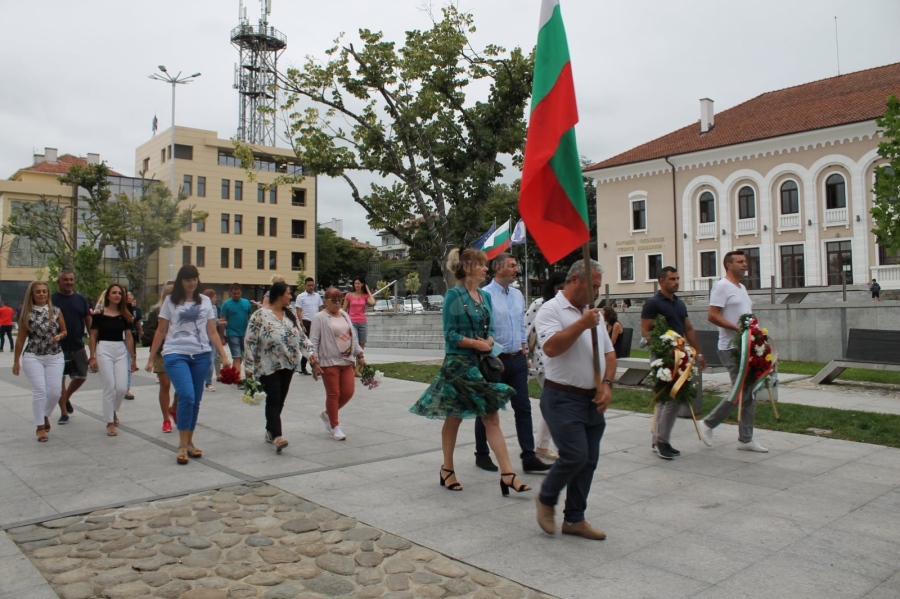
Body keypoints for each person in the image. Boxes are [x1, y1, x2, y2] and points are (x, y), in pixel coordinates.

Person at [409, 248, 530, 496]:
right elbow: (450, 335)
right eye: (482, 264)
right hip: (458, 365)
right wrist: (477, 343)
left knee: (488, 417)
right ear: (468, 267)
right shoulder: (454, 296)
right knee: (457, 417)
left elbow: (492, 327)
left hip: (479, 365)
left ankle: (506, 474)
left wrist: (489, 340)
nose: (486, 268)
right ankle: (450, 469)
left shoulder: (484, 298)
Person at [533, 259, 615, 540]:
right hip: (562, 397)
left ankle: (575, 519)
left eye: (598, 288)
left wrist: (606, 384)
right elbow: (552, 348)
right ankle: (546, 497)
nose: (595, 293)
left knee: (589, 460)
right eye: (592, 287)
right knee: (575, 455)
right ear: (574, 281)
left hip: (591, 399)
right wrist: (581, 323)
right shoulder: (551, 310)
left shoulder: (594, 314)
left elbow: (609, 353)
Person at [145, 265, 231, 465]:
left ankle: (190, 441)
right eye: (187, 279)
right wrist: (150, 358)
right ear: (181, 282)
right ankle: (182, 445)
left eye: (194, 279)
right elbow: (160, 330)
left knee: (196, 400)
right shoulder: (170, 301)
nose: (191, 283)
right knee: (186, 394)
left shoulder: (206, 301)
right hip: (175, 353)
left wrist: (224, 356)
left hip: (201, 355)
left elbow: (211, 331)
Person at [474, 253, 550, 474]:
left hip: (517, 359)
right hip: (494, 361)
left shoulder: (517, 295)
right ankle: (482, 453)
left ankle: (528, 456)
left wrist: (524, 349)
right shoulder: (484, 294)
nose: (517, 269)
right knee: (488, 409)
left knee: (523, 408)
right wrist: (493, 353)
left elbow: (520, 325)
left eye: (516, 265)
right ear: (498, 268)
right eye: (512, 265)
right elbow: (482, 329)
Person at [700, 251, 768, 452]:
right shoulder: (721, 286)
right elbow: (712, 316)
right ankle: (709, 423)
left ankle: (746, 438)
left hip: (746, 347)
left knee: (748, 393)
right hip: (730, 347)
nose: (744, 264)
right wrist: (737, 329)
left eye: (745, 261)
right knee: (741, 390)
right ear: (728, 265)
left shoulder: (742, 288)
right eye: (740, 262)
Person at [640, 267, 708, 460]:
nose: (676, 282)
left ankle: (658, 440)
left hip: (681, 355)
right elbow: (646, 332)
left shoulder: (679, 303)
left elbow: (688, 328)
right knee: (671, 398)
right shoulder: (652, 304)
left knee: (667, 399)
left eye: (678, 278)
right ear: (661, 281)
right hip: (665, 357)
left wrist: (698, 353)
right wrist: (664, 352)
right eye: (672, 279)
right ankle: (662, 441)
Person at [245, 281, 317, 452]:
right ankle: (277, 436)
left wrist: (311, 354)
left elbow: (301, 337)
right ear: (278, 295)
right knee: (274, 397)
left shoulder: (290, 314)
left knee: (280, 400)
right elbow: (250, 341)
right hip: (267, 364)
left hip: (288, 363)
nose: (290, 297)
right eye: (288, 293)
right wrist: (248, 366)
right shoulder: (260, 315)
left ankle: (270, 430)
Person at [12, 281, 67, 442]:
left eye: (44, 291)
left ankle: (44, 415)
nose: (42, 294)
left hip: (55, 356)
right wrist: (16, 362)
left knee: (55, 392)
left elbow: (64, 330)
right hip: (33, 356)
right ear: (32, 294)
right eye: (38, 292)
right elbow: (21, 339)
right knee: (40, 390)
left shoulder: (55, 311)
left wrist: (60, 335)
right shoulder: (27, 313)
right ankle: (40, 426)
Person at [309, 287, 366, 441]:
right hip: (328, 361)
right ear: (325, 301)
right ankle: (335, 426)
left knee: (348, 392)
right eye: (333, 300)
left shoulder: (345, 315)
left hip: (346, 360)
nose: (337, 303)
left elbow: (352, 337)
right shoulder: (319, 317)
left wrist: (359, 354)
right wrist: (313, 360)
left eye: (339, 300)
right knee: (333, 394)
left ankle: (327, 414)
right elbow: (313, 341)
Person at [525, 272, 568, 461]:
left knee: (554, 404)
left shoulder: (568, 307)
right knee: (554, 403)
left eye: (565, 287)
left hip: (559, 361)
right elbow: (524, 328)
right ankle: (544, 445)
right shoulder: (540, 305)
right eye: (559, 287)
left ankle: (543, 445)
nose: (562, 291)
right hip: (540, 361)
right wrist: (524, 353)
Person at [89, 284, 137, 437]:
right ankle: (109, 421)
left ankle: (113, 410)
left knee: (122, 387)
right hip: (104, 348)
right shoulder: (99, 314)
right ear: (108, 295)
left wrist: (133, 357)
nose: (117, 295)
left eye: (120, 293)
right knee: (109, 385)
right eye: (114, 293)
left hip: (120, 349)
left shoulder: (125, 315)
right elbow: (93, 336)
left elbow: (129, 337)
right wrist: (92, 356)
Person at [51, 270, 92, 424]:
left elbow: (88, 321)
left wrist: (93, 339)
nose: (68, 282)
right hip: (57, 346)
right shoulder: (52, 299)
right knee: (59, 380)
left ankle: (66, 397)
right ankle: (63, 413)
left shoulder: (80, 299)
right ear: (59, 282)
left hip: (77, 345)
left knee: (82, 375)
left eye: (71, 280)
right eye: (65, 280)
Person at [142, 281, 177, 432]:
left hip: (178, 352)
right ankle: (166, 420)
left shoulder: (181, 311)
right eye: (168, 295)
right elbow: (148, 334)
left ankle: (173, 408)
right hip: (161, 352)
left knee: (182, 389)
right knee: (165, 384)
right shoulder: (156, 312)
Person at [219, 283, 252, 375]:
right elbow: (222, 321)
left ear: (241, 292)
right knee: (236, 357)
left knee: (242, 357)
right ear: (230, 293)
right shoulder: (226, 304)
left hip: (245, 334)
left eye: (238, 293)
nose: (236, 295)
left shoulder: (246, 303)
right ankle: (238, 380)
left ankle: (234, 375)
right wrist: (221, 337)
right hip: (232, 333)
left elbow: (250, 317)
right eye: (234, 293)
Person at [342, 276, 376, 360]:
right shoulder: (349, 295)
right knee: (354, 343)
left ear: (362, 284)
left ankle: (357, 367)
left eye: (358, 283)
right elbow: (343, 310)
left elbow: (372, 302)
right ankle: (352, 365)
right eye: (355, 283)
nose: (356, 285)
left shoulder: (365, 296)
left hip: (362, 322)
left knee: (362, 344)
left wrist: (368, 290)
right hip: (352, 322)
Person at [296, 277, 324, 375]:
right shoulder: (301, 296)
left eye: (312, 285)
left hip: (316, 322)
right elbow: (298, 311)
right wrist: (301, 325)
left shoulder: (317, 296)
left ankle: (302, 367)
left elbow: (321, 309)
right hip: (306, 322)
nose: (311, 287)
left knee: (313, 346)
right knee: (309, 346)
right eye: (309, 285)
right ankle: (313, 367)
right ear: (305, 285)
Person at [202, 289, 223, 391]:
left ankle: (208, 382)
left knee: (211, 360)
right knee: (203, 360)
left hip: (213, 336)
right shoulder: (201, 307)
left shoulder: (214, 307)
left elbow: (213, 321)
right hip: (203, 337)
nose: (215, 299)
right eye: (214, 297)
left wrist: (219, 322)